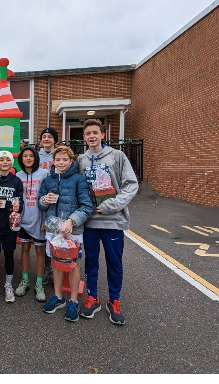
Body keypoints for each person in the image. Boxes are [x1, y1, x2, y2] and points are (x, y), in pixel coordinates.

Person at [76, 119, 137, 325]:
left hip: (112, 220)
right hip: (90, 221)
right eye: (88, 133)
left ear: (103, 134)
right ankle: (93, 297)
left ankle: (114, 300)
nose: (91, 136)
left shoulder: (117, 156)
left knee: (114, 263)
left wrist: (112, 205)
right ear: (83, 137)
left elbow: (131, 185)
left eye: (95, 132)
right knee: (91, 262)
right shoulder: (81, 160)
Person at [39, 146, 93, 322]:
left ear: (71, 162)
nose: (61, 163)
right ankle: (58, 297)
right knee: (56, 263)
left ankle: (73, 301)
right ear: (53, 161)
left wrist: (72, 220)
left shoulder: (79, 180)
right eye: (58, 159)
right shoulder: (48, 181)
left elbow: (87, 206)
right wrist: (44, 200)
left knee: (73, 265)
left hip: (73, 231)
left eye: (65, 160)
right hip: (53, 232)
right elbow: (41, 205)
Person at [0, 151, 26, 304]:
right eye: (1, 160)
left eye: (7, 160)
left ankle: (8, 284)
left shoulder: (16, 181)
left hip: (11, 224)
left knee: (9, 254)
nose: (4, 162)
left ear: (11, 163)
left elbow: (21, 200)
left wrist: (18, 207)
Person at [14, 145, 51, 302]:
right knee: (24, 249)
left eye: (31, 156)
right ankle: (25, 280)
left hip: (39, 219)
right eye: (25, 156)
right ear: (21, 159)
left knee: (40, 251)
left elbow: (49, 199)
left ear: (36, 158)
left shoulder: (44, 173)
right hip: (24, 219)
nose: (28, 158)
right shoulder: (17, 176)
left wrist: (46, 219)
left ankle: (39, 283)